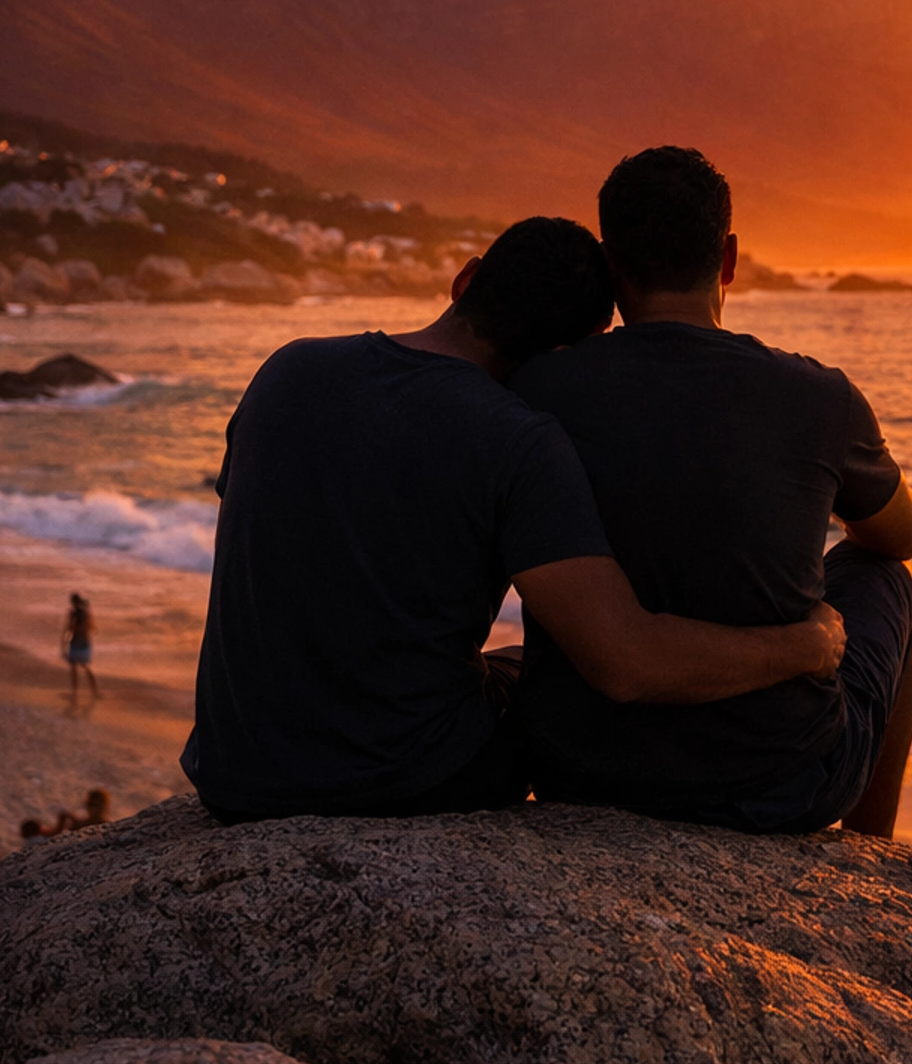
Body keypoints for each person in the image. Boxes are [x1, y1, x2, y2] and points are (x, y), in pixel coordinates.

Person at [181, 215, 846, 822]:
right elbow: (627, 662)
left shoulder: (288, 368)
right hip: (398, 781)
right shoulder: (517, 442)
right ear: (573, 350)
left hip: (233, 773)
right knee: (557, 688)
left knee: (520, 664)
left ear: (466, 278)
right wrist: (801, 646)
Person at [512, 147, 912, 837]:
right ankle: (868, 857)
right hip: (784, 782)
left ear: (612, 269)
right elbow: (901, 537)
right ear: (728, 258)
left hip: (581, 770)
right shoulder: (819, 397)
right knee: (886, 577)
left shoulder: (536, 389)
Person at [62, 592, 97, 709]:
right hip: (86, 643)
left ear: (72, 602)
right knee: (87, 667)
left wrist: (63, 644)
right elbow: (94, 628)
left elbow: (68, 629)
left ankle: (75, 693)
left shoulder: (73, 613)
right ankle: (95, 692)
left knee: (74, 669)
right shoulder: (87, 613)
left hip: (76, 643)